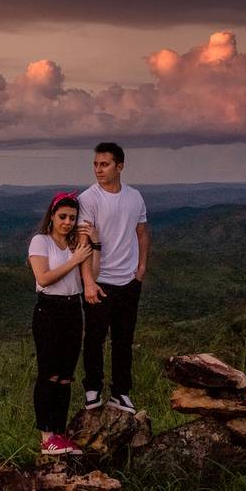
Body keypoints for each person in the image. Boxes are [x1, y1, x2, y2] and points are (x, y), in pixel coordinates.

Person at [78, 142, 150, 414]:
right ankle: (92, 390)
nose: (98, 169)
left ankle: (121, 392)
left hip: (129, 281)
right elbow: (83, 243)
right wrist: (88, 281)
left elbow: (142, 233)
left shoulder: (135, 197)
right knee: (94, 338)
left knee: (123, 339)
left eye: (104, 164)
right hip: (100, 280)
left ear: (119, 166)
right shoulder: (88, 199)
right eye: (96, 164)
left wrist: (141, 269)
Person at [27, 191, 99, 455]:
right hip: (49, 310)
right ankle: (47, 437)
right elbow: (43, 278)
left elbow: (93, 275)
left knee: (66, 377)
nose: (68, 222)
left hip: (73, 309)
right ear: (52, 216)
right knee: (49, 374)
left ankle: (60, 433)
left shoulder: (74, 244)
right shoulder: (41, 241)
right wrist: (74, 260)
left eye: (72, 218)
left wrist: (94, 245)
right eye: (63, 216)